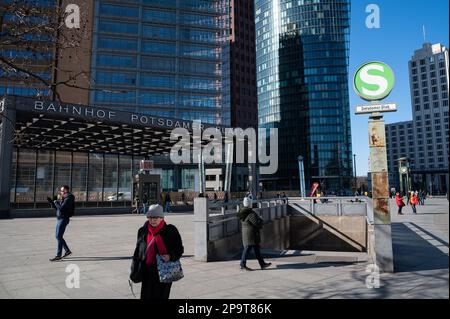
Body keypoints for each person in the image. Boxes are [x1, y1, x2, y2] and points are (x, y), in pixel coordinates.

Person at [133, 204, 184, 300]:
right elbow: (138, 251)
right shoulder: (142, 231)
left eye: (156, 218)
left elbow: (179, 249)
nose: (153, 220)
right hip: (147, 271)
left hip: (164, 270)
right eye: (150, 217)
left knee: (161, 297)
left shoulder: (170, 230)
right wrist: (134, 268)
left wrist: (170, 256)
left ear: (162, 217)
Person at [237, 197, 271, 271]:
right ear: (250, 204)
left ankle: (262, 264)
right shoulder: (250, 213)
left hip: (247, 232)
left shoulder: (242, 211)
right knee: (247, 248)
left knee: (256, 249)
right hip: (251, 234)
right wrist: (261, 220)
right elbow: (256, 223)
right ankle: (242, 264)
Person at [48, 185, 75, 261]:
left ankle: (58, 255)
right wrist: (52, 203)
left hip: (64, 219)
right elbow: (57, 208)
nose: (61, 192)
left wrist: (56, 202)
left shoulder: (69, 197)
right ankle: (67, 251)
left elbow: (62, 208)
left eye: (62, 190)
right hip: (60, 218)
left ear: (66, 190)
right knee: (57, 236)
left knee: (59, 236)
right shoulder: (64, 197)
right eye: (60, 190)